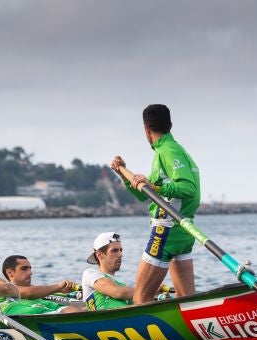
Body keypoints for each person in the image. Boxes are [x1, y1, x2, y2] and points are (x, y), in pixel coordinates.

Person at [110, 103, 200, 304]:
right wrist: (123, 173)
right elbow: (145, 194)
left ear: (146, 130)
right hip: (184, 231)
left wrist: (156, 187)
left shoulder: (167, 152)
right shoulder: (175, 150)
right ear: (170, 125)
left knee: (140, 298)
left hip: (167, 230)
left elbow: (188, 188)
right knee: (187, 301)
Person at [1, 255, 81, 314]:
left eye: (30, 268)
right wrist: (58, 287)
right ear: (10, 273)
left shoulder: (39, 297)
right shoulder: (1, 291)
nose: (30, 273)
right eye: (24, 269)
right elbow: (29, 292)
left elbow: (70, 311)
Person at [81, 232, 134, 310]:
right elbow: (117, 292)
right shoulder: (90, 274)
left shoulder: (122, 286)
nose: (120, 255)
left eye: (120, 250)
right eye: (115, 250)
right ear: (99, 255)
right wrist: (153, 290)